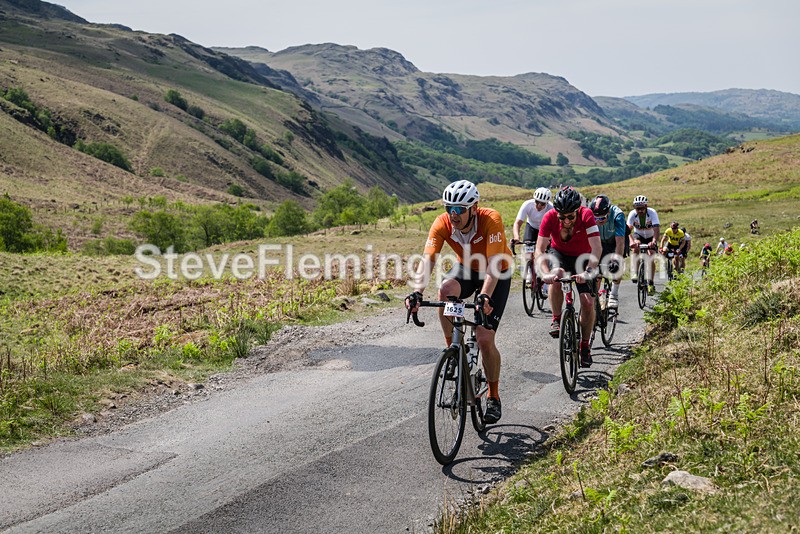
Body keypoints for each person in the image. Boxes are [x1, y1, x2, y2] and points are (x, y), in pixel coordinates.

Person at [405, 180, 512, 424]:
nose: (453, 215)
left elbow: (494, 265)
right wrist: (417, 292)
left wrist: (484, 296)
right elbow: (428, 259)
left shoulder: (491, 219)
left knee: (484, 339)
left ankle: (493, 396)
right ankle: (454, 352)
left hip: (497, 273)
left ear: (473, 208)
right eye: (449, 208)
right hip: (467, 269)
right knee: (445, 291)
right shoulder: (442, 223)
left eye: (459, 209)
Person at [535, 186, 601, 367]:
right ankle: (556, 319)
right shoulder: (549, 217)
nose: (566, 221)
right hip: (560, 254)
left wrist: (588, 272)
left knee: (588, 303)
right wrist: (545, 272)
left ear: (577, 211)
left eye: (570, 217)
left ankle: (585, 345)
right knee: (556, 276)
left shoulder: (586, 215)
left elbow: (597, 247)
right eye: (561, 217)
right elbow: (540, 249)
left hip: (583, 257)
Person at [589, 194, 625, 309]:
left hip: (614, 242)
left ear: (608, 212)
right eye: (596, 218)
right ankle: (595, 297)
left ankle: (614, 294)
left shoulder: (618, 215)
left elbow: (620, 242)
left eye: (602, 218)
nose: (599, 221)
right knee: (595, 272)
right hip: (599, 242)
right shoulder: (589, 214)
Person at [510, 187, 553, 281]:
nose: (539, 205)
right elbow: (517, 223)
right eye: (537, 202)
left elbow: (555, 227)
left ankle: (546, 277)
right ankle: (529, 269)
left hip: (545, 230)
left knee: (546, 252)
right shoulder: (527, 204)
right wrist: (516, 237)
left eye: (542, 204)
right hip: (531, 227)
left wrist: (550, 239)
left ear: (547, 203)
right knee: (528, 248)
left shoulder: (551, 208)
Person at [627, 195, 660, 294]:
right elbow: (627, 231)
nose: (640, 211)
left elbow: (656, 230)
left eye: (642, 208)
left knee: (651, 256)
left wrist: (654, 241)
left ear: (646, 206)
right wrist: (631, 241)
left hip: (651, 236)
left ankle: (651, 282)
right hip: (638, 235)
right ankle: (635, 272)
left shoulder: (652, 213)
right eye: (637, 209)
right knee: (635, 249)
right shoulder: (632, 214)